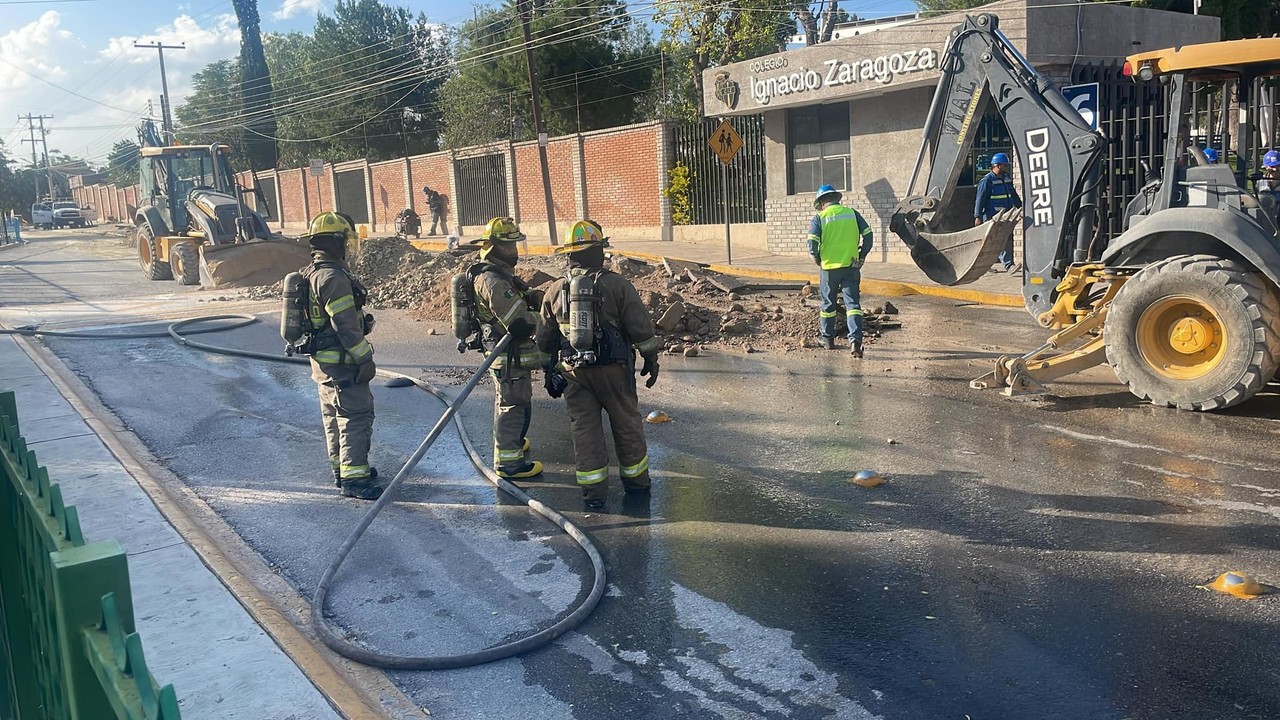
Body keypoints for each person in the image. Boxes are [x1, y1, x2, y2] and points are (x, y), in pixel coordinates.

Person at [536, 220, 662, 511]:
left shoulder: (554, 290)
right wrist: (651, 358)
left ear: (569, 255)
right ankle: (636, 485)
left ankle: (593, 492)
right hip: (614, 372)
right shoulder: (616, 285)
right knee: (626, 424)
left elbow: (544, 340)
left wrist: (548, 372)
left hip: (573, 373)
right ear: (599, 251)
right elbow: (640, 327)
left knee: (585, 430)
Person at [302, 211, 383, 500]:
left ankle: (342, 469)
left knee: (333, 416)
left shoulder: (311, 272)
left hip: (323, 364)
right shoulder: (332, 277)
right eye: (345, 241)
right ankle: (355, 479)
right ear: (336, 243)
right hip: (343, 364)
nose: (349, 247)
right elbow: (345, 325)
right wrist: (365, 359)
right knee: (355, 417)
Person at [469, 217, 546, 479]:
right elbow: (520, 323)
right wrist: (547, 318)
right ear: (492, 247)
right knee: (512, 404)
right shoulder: (492, 281)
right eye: (507, 247)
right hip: (505, 353)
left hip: (507, 353)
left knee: (511, 399)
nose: (513, 252)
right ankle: (509, 463)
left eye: (515, 245)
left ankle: (512, 442)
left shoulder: (501, 275)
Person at [807, 184, 873, 358]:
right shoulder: (852, 213)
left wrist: (816, 257)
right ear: (837, 198)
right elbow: (868, 234)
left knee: (828, 304)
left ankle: (827, 340)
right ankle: (855, 342)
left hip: (829, 268)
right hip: (851, 266)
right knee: (853, 305)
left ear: (821, 202)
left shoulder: (820, 218)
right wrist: (862, 254)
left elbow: (812, 242)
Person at [974, 152, 1023, 273]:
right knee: (994, 241)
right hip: (993, 217)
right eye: (1005, 165)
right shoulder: (987, 181)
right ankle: (1006, 265)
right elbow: (980, 200)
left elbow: (1013, 194)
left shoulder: (1006, 179)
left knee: (1003, 239)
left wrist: (1021, 206)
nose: (1006, 168)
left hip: (1006, 216)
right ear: (997, 165)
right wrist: (978, 216)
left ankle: (1001, 265)